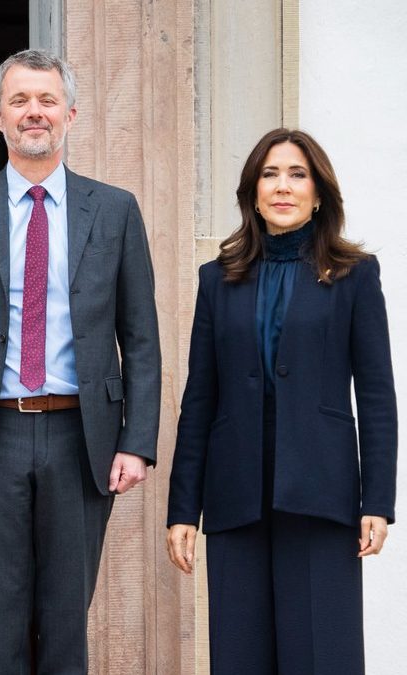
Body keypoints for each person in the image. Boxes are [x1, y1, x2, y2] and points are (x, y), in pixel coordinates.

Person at [0, 49, 161, 674]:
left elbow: (141, 336)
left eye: (48, 100)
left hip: (83, 437)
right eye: (19, 100)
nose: (34, 112)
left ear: (70, 114)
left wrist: (136, 442)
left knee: (67, 618)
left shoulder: (116, 209)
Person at [166, 128, 397, 674]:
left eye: (297, 174)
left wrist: (377, 500)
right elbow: (200, 398)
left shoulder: (354, 275)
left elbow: (376, 395)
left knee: (322, 657)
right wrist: (183, 508)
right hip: (235, 494)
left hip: (322, 493)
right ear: (253, 193)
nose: (283, 186)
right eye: (270, 175)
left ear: (318, 194)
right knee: (239, 656)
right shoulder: (218, 279)